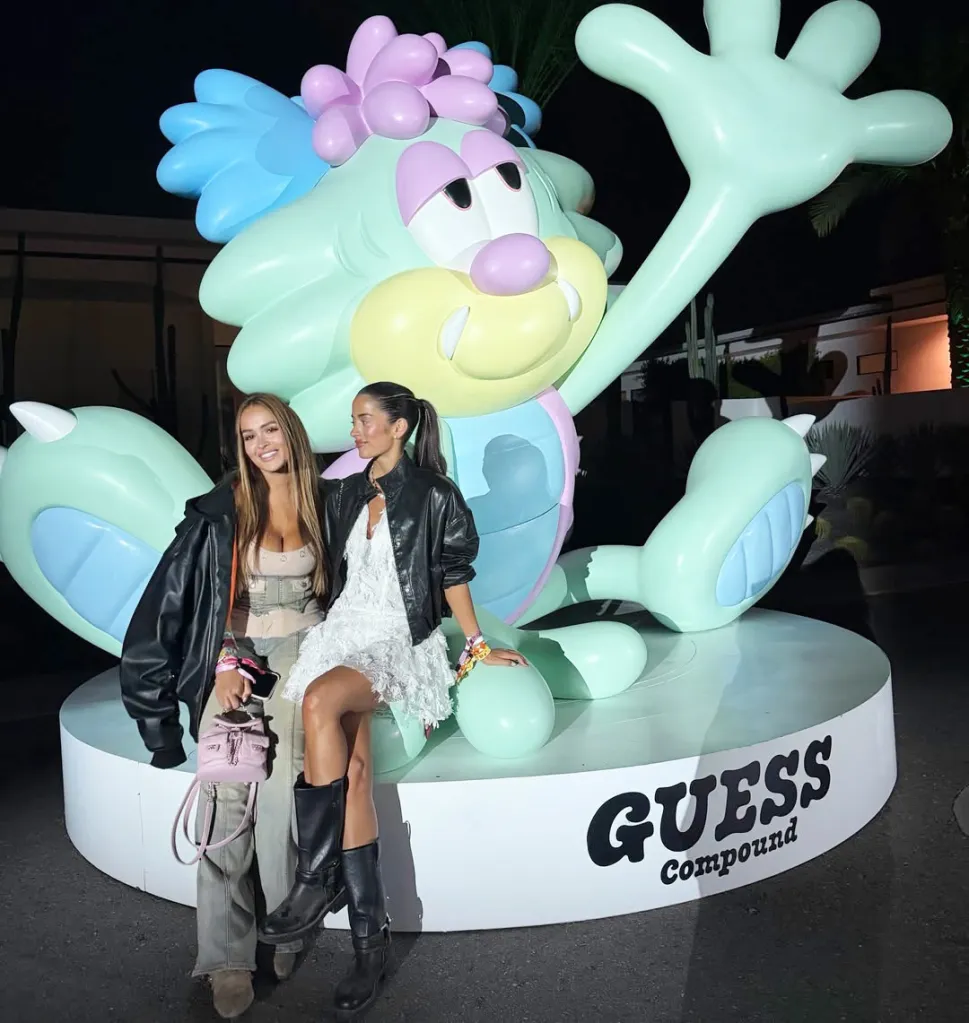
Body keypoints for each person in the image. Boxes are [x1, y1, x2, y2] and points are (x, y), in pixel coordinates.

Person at [258, 381, 526, 1019]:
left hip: (399, 636)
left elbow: (453, 573)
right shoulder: (347, 491)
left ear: (399, 426)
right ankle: (368, 947)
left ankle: (317, 875)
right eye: (352, 420)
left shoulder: (434, 495)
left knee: (321, 700)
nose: (354, 430)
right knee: (352, 779)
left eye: (365, 420)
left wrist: (478, 645)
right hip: (342, 630)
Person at [119, 393, 335, 1020]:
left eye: (270, 429)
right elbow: (172, 608)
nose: (261, 443)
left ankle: (283, 927)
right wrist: (218, 663)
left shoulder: (331, 501)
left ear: (291, 432)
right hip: (235, 656)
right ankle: (226, 957)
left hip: (308, 658)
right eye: (247, 435)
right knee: (224, 807)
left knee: (283, 806)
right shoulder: (220, 512)